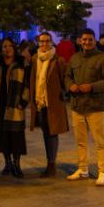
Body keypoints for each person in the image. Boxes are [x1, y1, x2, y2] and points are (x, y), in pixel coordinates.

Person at [65, 28, 104, 187]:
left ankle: (103, 172)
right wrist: (71, 86)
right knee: (81, 141)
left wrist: (93, 87)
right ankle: (82, 169)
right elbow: (67, 76)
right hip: (77, 106)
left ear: (94, 41)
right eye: (84, 39)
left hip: (96, 106)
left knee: (100, 141)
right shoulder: (74, 58)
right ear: (80, 41)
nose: (87, 42)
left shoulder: (103, 58)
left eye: (90, 39)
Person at [29, 32, 67, 178]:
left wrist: (61, 94)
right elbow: (33, 78)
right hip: (40, 102)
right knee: (46, 132)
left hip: (53, 103)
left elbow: (64, 80)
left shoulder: (58, 60)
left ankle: (51, 163)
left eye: (47, 41)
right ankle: (50, 162)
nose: (44, 44)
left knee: (52, 132)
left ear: (51, 42)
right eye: (42, 41)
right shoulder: (35, 59)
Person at [0, 38, 29, 178]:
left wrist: (23, 102)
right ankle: (7, 163)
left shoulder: (20, 64)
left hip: (14, 107)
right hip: (0, 106)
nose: (7, 49)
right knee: (3, 137)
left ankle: (17, 164)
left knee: (16, 137)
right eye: (4, 46)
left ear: (14, 48)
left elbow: (27, 84)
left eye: (9, 46)